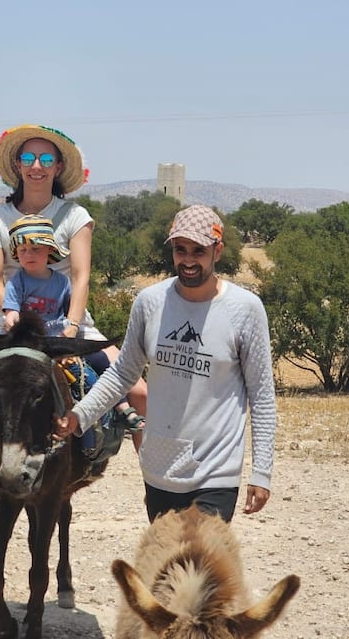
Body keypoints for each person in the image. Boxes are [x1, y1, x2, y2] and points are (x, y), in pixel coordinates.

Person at [0, 124, 147, 558]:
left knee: (140, 391)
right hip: (13, 328)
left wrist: (70, 325)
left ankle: (155, 493)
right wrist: (15, 319)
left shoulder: (75, 216)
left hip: (70, 324)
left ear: (60, 167)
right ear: (16, 165)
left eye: (46, 159)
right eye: (28, 159)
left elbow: (81, 275)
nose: (36, 166)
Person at [54, 204, 276, 525]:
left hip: (215, 471)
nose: (187, 260)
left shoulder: (245, 309)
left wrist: (262, 472)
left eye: (198, 251)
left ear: (218, 251)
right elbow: (123, 373)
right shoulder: (150, 302)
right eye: (180, 249)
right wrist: (80, 416)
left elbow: (262, 396)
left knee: (199, 566)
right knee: (167, 566)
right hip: (159, 467)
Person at [0, 214, 141, 437]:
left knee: (100, 358)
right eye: (23, 250)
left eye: (35, 249)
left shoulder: (61, 282)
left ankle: (123, 408)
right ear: (16, 254)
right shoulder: (16, 281)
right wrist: (12, 319)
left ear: (49, 250)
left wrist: (71, 330)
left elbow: (69, 311)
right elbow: (10, 310)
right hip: (24, 337)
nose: (29, 255)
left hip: (53, 337)